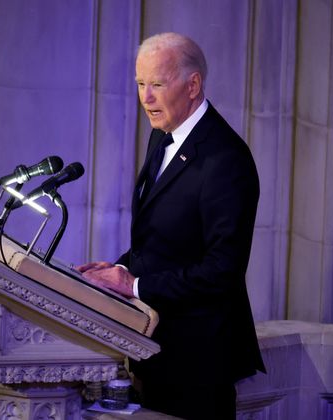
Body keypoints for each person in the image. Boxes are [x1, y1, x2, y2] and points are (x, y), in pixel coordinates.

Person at [78, 32, 265, 419]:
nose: (145, 97)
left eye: (157, 85)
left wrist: (133, 286)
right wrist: (121, 268)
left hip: (199, 364)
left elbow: (222, 271)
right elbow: (161, 239)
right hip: (156, 350)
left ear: (193, 85)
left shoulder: (225, 159)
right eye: (141, 84)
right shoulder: (162, 136)